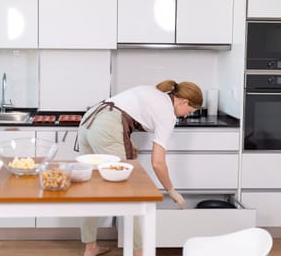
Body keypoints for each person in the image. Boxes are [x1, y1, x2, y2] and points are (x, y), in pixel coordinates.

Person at [77, 80, 203, 256]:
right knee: (130, 194)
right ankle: (139, 252)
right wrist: (172, 191)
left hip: (88, 121)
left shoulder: (155, 92)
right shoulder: (168, 114)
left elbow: (127, 111)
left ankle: (90, 248)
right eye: (189, 112)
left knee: (92, 189)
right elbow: (158, 163)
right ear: (183, 101)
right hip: (107, 128)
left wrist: (127, 142)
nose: (185, 117)